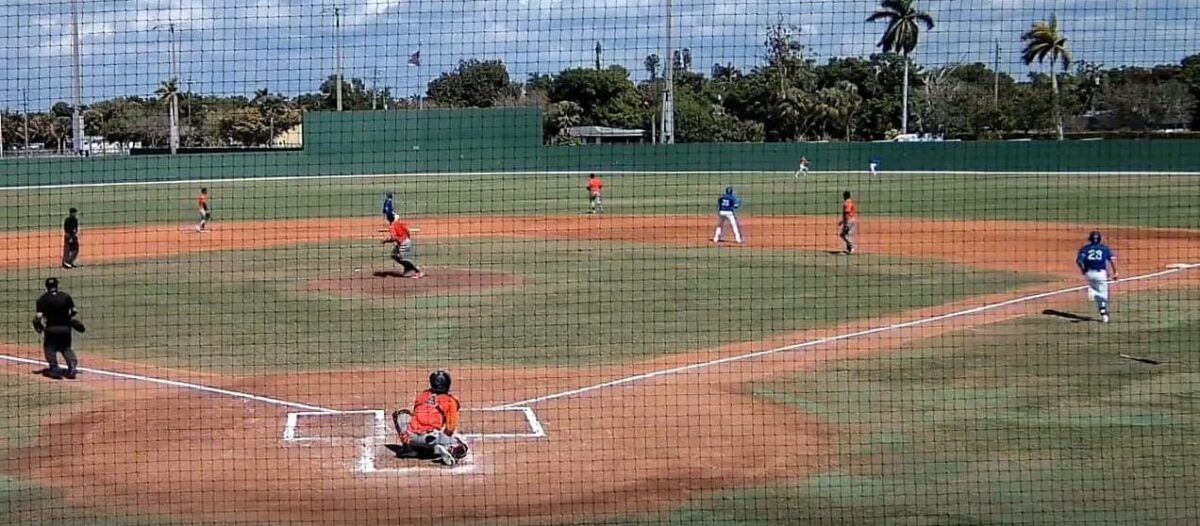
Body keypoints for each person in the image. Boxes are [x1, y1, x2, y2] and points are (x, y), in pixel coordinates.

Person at [391, 370, 469, 466]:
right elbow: (450, 428)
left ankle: (413, 449)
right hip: (430, 438)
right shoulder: (450, 401)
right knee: (462, 445)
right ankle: (448, 449)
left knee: (404, 417)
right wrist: (444, 437)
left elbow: (416, 412)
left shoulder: (423, 395)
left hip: (411, 437)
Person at [32, 278, 84, 380]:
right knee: (66, 348)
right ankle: (72, 367)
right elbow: (74, 311)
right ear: (57, 285)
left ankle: (54, 369)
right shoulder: (65, 297)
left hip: (51, 329)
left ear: (46, 287)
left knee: (49, 348)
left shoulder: (43, 299)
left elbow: (38, 316)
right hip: (65, 328)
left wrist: (38, 325)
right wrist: (68, 319)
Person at [1076, 231, 1118, 323]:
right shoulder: (1105, 249)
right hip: (1101, 274)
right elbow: (1112, 260)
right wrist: (1116, 272)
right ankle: (1094, 293)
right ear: (1100, 239)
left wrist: (1083, 270)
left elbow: (1079, 261)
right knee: (1104, 295)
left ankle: (1104, 314)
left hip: (1089, 273)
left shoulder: (1085, 249)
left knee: (1100, 296)